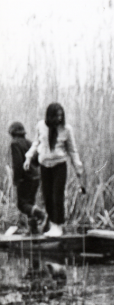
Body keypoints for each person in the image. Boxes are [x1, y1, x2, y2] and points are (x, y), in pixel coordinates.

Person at [23, 102, 87, 238]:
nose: (59, 118)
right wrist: (28, 157)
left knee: (57, 195)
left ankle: (58, 225)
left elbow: (72, 150)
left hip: (59, 165)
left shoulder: (66, 129)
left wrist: (78, 167)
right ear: (50, 116)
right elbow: (36, 143)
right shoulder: (41, 126)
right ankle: (52, 224)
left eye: (61, 116)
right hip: (44, 165)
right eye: (56, 115)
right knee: (47, 196)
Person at [6, 122, 46, 235]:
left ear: (12, 132)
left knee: (22, 204)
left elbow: (18, 163)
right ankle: (33, 230)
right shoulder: (29, 142)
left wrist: (17, 180)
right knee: (30, 203)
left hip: (25, 178)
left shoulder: (14, 144)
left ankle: (41, 215)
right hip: (35, 176)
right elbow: (38, 159)